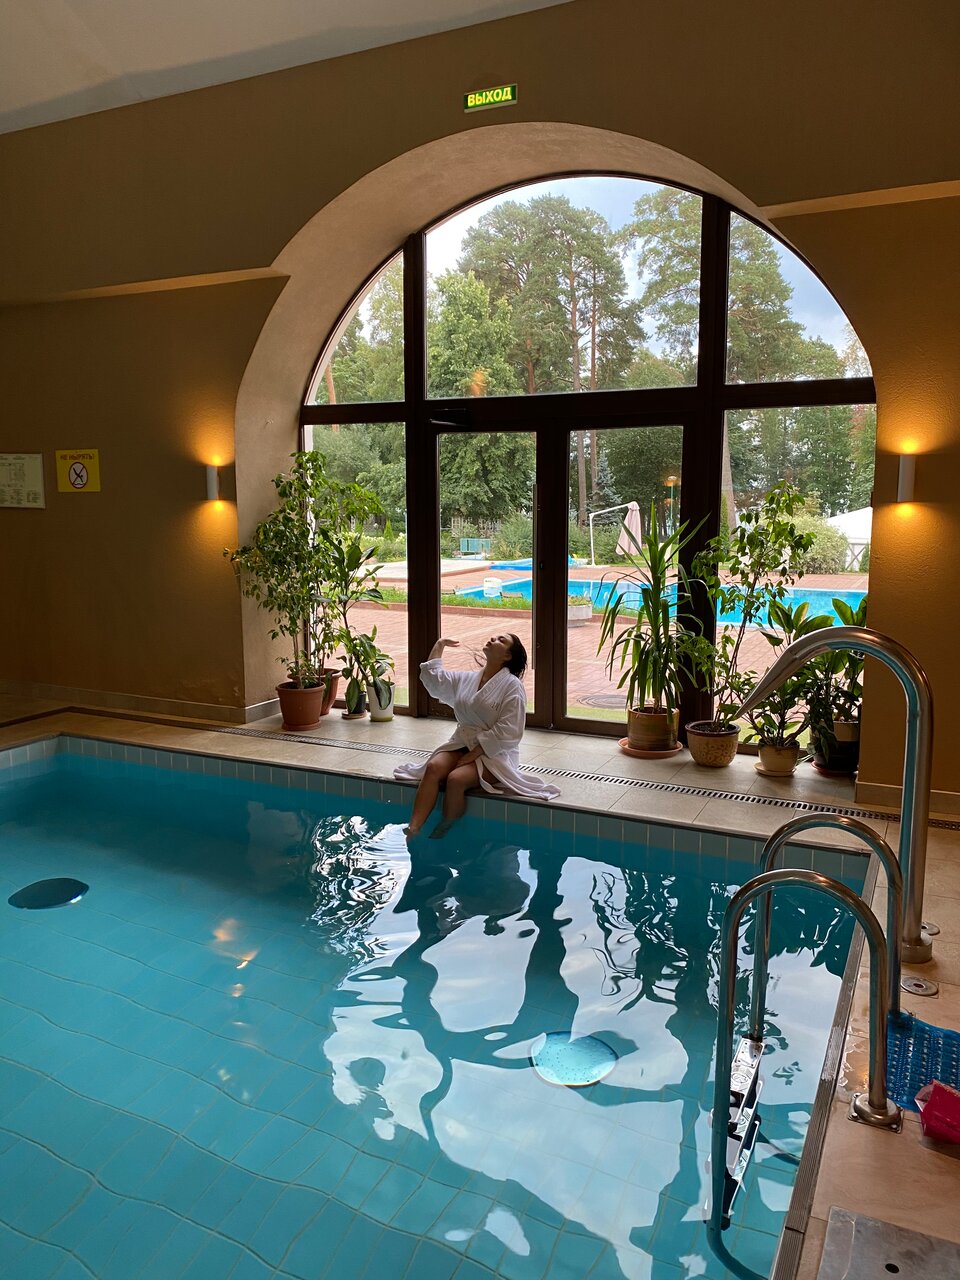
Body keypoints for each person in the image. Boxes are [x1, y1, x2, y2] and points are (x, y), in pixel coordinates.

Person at [395, 634, 560, 836]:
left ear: (507, 656)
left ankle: (447, 826)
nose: (493, 638)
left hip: (495, 753)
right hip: (462, 742)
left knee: (455, 780)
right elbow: (435, 681)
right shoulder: (468, 679)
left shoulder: (512, 686)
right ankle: (413, 828)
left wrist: (475, 753)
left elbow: (511, 729)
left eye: (501, 640)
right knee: (433, 768)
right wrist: (439, 645)